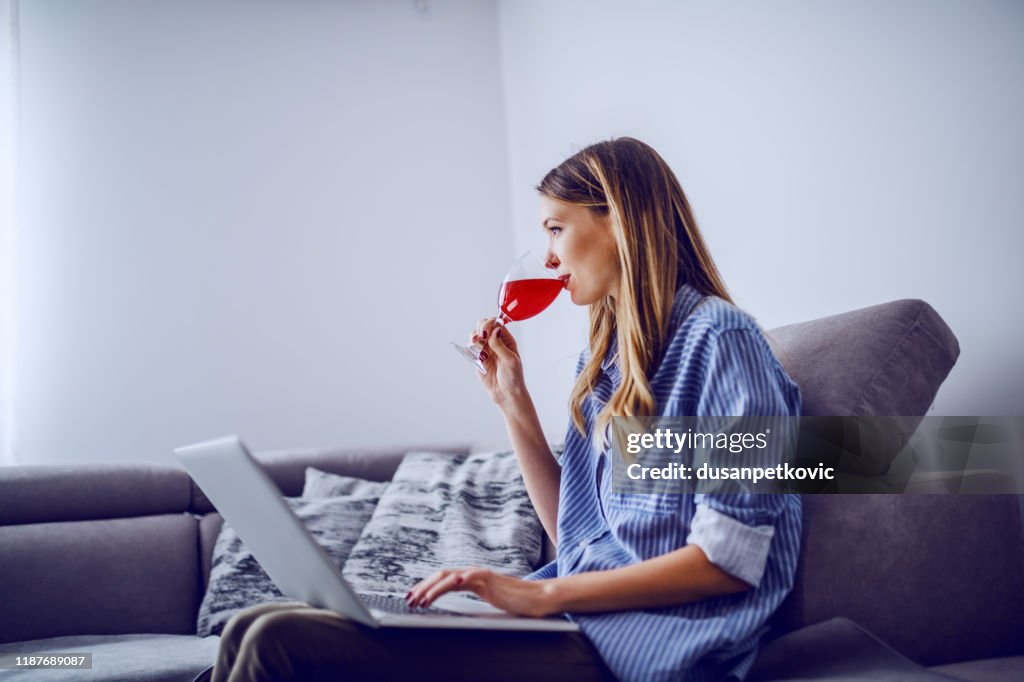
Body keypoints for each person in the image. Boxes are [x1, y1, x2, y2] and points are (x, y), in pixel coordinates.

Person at [209, 137, 802, 682]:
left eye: (555, 229)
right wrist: (513, 405)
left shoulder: (721, 343)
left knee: (278, 643)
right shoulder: (603, 368)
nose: (547, 257)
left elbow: (728, 561)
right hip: (577, 625)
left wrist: (544, 597)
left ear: (618, 219)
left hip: (651, 648)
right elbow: (574, 534)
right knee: (249, 626)